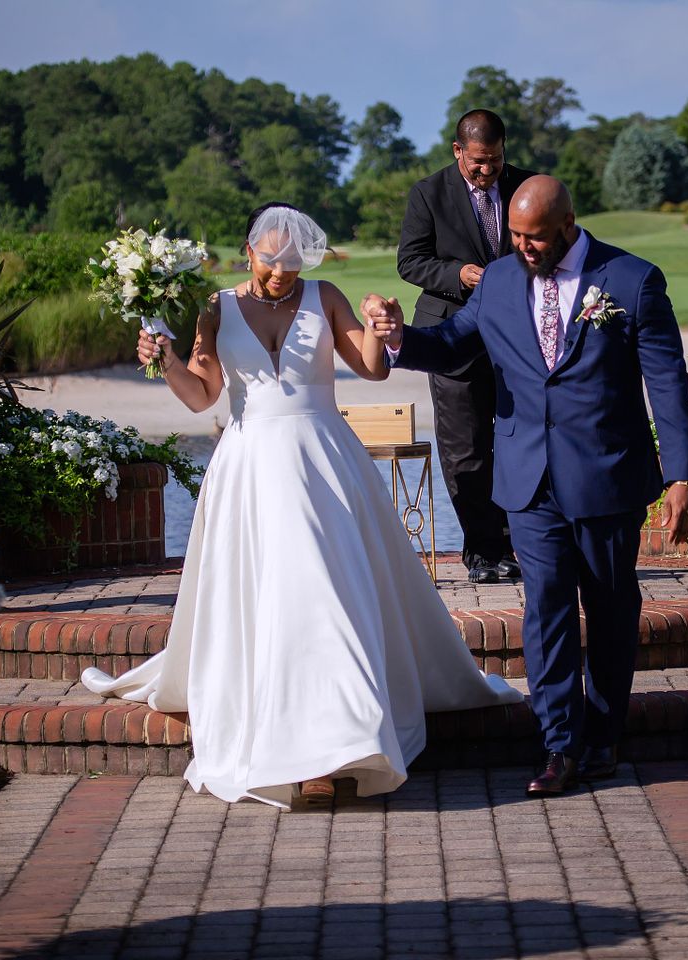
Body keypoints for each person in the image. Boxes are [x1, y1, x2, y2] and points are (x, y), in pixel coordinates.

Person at [82, 202, 520, 808]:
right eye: (271, 260)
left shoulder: (325, 295)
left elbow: (369, 369)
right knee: (270, 598)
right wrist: (168, 360)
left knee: (325, 594)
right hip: (250, 469)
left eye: (291, 261)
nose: (282, 272)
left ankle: (340, 744)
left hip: (323, 464)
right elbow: (201, 397)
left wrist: (383, 328)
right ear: (249, 250)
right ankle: (292, 736)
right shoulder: (217, 307)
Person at [366, 176, 688, 797]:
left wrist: (682, 473)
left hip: (607, 475)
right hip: (526, 479)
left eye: (536, 237)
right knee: (544, 607)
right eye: (516, 235)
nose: (523, 246)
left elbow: (666, 380)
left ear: (569, 223)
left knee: (609, 609)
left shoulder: (632, 280)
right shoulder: (496, 281)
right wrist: (397, 338)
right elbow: (451, 346)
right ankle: (558, 746)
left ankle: (602, 737)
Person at [397, 109, 536, 584]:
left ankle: (525, 544)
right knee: (465, 450)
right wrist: (459, 274)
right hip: (453, 334)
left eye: (495, 161)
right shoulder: (427, 193)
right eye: (478, 161)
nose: (486, 170)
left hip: (522, 338)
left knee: (524, 440)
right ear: (458, 151)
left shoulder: (529, 186)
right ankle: (482, 551)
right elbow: (410, 262)